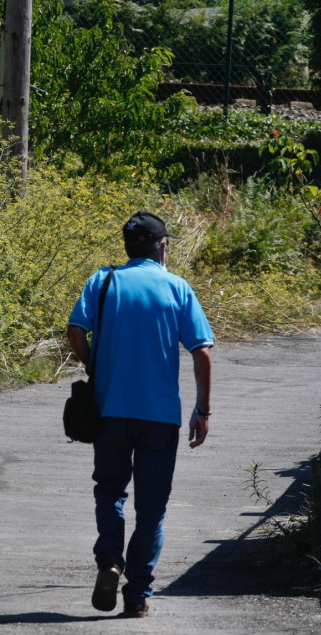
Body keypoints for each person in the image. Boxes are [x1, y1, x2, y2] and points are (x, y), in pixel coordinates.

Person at [67, 211, 214, 618]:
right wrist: (203, 409)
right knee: (152, 507)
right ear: (162, 247)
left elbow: (76, 331)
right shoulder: (176, 287)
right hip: (160, 417)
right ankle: (137, 595)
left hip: (110, 410)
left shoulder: (104, 281)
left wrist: (95, 365)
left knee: (110, 491)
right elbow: (201, 350)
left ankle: (110, 559)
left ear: (128, 246)